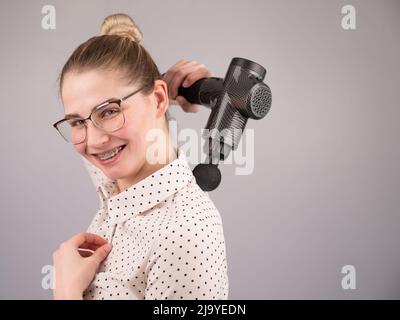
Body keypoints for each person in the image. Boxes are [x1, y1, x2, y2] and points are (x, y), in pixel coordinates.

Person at [52, 13, 228, 300]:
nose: (93, 141)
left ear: (158, 100)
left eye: (108, 111)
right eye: (77, 122)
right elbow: (108, 132)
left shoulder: (184, 235)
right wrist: (163, 92)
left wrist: (67, 291)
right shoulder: (117, 181)